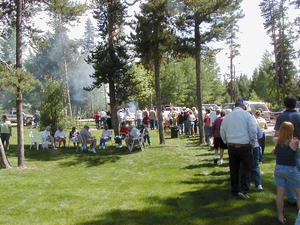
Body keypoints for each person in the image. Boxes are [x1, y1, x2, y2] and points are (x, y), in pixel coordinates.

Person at [220, 99, 257, 199]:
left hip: (232, 146)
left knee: (234, 169)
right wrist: (252, 144)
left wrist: (226, 141)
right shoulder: (247, 116)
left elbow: (222, 130)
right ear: (243, 106)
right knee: (246, 169)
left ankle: (235, 190)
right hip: (244, 146)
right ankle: (244, 190)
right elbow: (253, 131)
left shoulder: (228, 117)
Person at [274, 96, 300, 205]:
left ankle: (292, 197)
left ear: (285, 105)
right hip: (297, 145)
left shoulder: (281, 117)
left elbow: (276, 133)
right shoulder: (299, 116)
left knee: (288, 173)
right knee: (295, 171)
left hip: (284, 147)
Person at [273, 122, 300, 224]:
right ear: (291, 130)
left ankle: (280, 217)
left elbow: (276, 149)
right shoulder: (294, 142)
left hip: (279, 169)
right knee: (299, 194)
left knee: (280, 194)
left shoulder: (276, 141)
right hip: (291, 169)